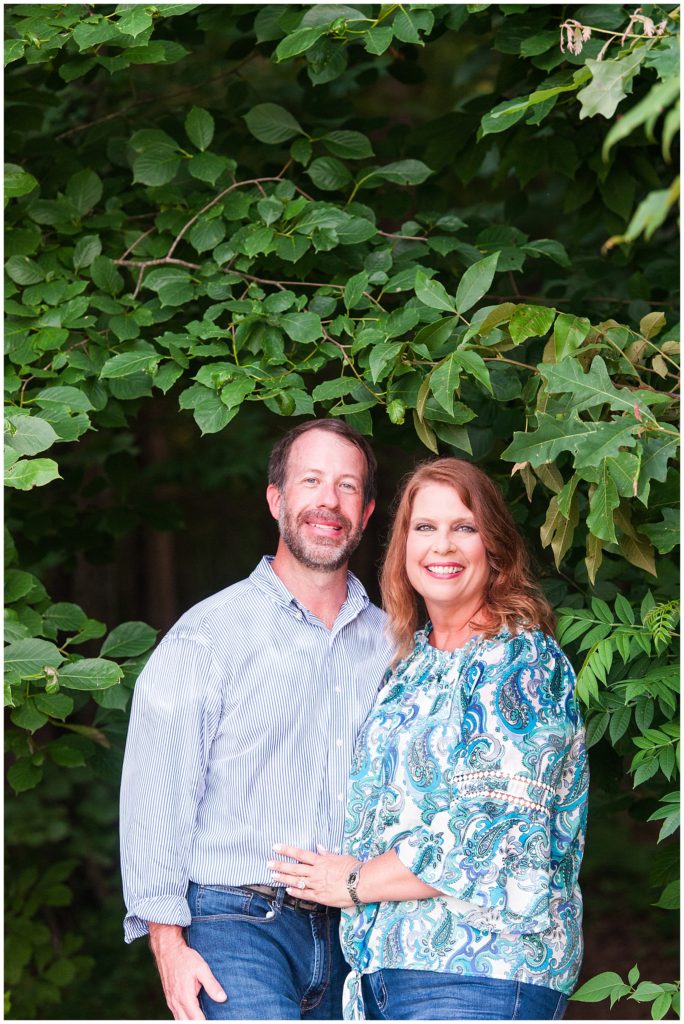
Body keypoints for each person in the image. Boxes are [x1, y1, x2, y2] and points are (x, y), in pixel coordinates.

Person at [270, 457, 589, 1021]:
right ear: (402, 547)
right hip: (384, 976)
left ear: (493, 548)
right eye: (425, 528)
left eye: (463, 528)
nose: (442, 546)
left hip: (483, 974)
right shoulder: (410, 667)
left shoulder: (518, 662)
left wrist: (351, 880)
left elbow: (491, 835)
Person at [120, 418, 393, 1020]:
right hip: (236, 921)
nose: (329, 501)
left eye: (347, 487)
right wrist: (168, 944)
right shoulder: (209, 635)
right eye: (311, 481)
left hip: (363, 930)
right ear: (276, 499)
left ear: (368, 511)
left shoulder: (395, 645)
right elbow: (157, 793)